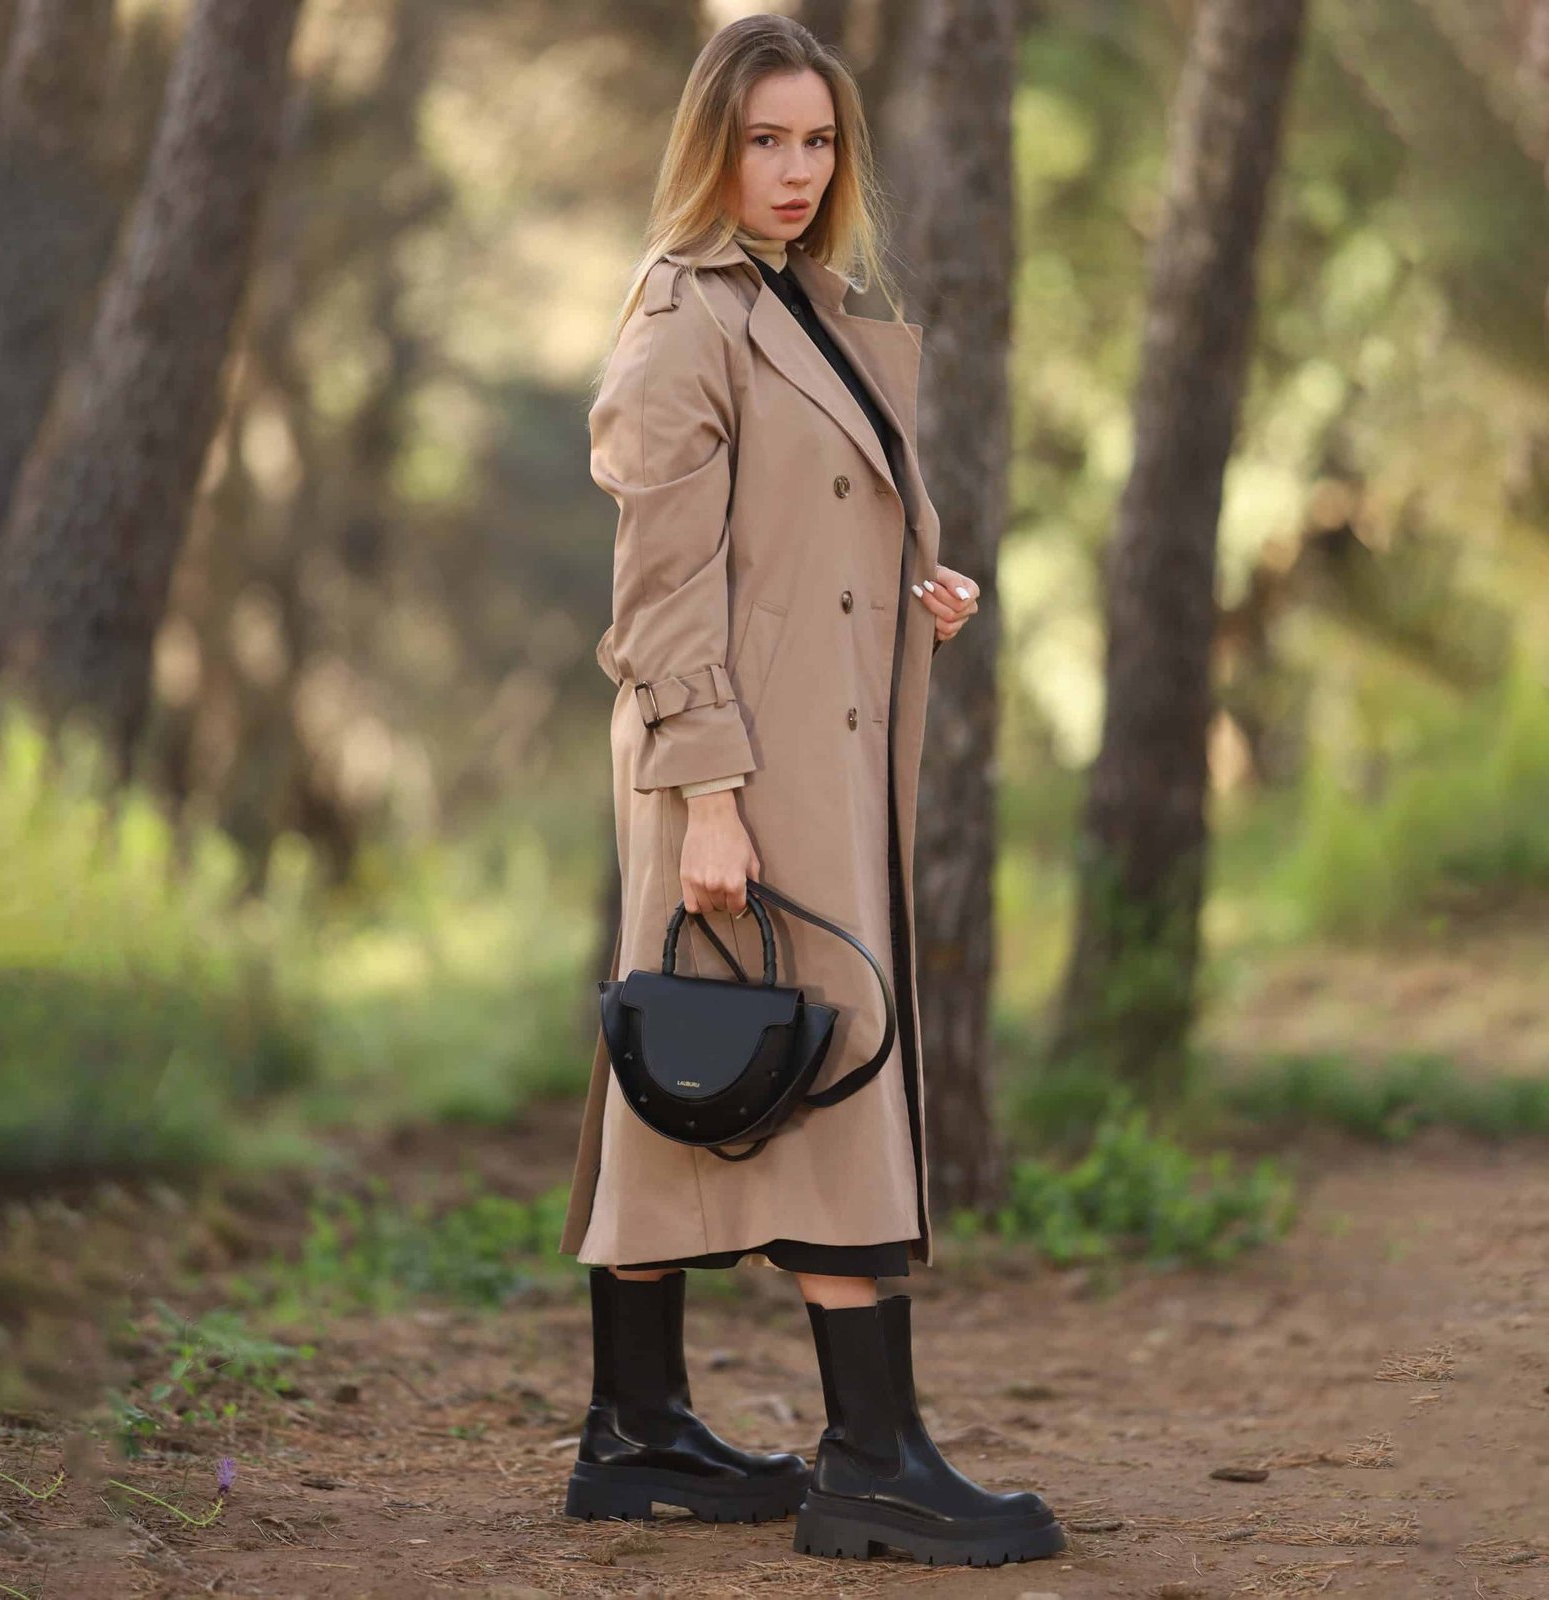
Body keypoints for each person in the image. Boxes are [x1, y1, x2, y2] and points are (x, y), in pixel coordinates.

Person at [558, 13, 1064, 1569]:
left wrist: (905, 583)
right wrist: (713, 794)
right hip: (741, 769)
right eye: (765, 140)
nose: (794, 171)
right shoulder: (682, 320)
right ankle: (874, 1459)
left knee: (692, 1059)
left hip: (803, 751)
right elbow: (660, 596)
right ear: (712, 146)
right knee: (820, 1062)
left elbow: (781, 537)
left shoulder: (811, 302)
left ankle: (637, 1433)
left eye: (819, 141)